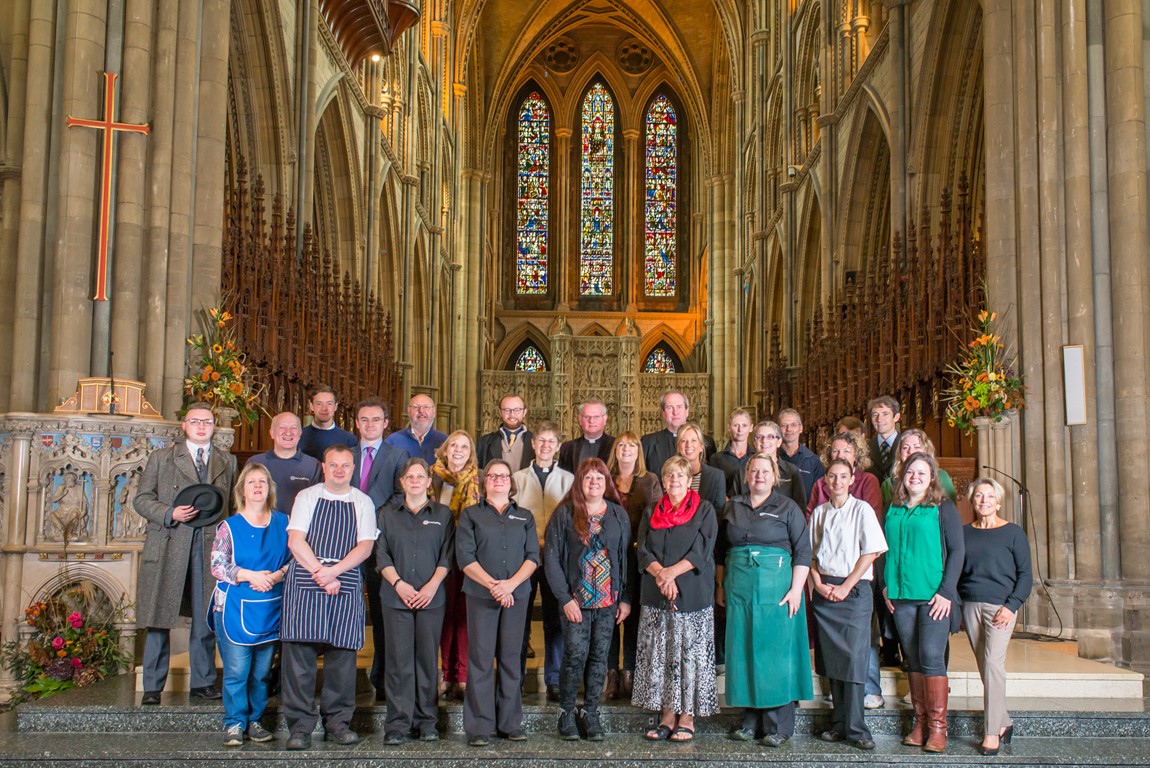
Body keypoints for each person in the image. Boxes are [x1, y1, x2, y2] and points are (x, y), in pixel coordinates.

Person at [134, 402, 237, 705]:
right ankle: (153, 687)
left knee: (205, 615)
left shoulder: (226, 461)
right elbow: (141, 499)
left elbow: (231, 505)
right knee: (159, 616)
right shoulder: (162, 458)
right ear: (185, 426)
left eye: (207, 421)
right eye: (195, 421)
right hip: (169, 541)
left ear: (213, 425)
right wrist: (170, 512)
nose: (202, 426)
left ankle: (203, 683)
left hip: (209, 544)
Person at [280, 445, 378, 750]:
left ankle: (338, 722)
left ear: (353, 468)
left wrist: (334, 571)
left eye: (345, 466)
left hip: (345, 579)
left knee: (342, 659)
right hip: (307, 579)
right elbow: (296, 540)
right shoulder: (307, 497)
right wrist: (320, 572)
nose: (339, 470)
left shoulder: (363, 502)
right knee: (299, 659)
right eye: (333, 465)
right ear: (324, 467)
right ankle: (300, 727)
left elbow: (365, 547)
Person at [716, 453, 811, 747]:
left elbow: (803, 551)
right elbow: (721, 551)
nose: (758, 475)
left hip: (778, 591)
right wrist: (720, 585)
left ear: (774, 476)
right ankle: (749, 720)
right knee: (744, 651)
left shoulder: (787, 507)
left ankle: (776, 723)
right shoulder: (733, 507)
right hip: (740, 590)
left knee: (773, 655)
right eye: (753, 471)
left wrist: (796, 589)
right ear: (746, 476)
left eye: (764, 471)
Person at [633, 455, 719, 743]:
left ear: (688, 480)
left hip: (692, 595)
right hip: (657, 595)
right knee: (664, 657)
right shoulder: (651, 511)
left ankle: (687, 718)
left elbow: (701, 551)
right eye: (669, 476)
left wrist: (671, 575)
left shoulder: (704, 510)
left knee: (688, 658)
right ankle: (667, 717)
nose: (674, 481)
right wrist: (662, 575)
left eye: (680, 476)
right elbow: (643, 550)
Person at [545, 458, 632, 741]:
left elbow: (625, 557)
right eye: (588, 478)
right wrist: (563, 597)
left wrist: (625, 598)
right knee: (575, 655)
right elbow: (552, 560)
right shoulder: (565, 514)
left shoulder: (618, 514)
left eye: (599, 478)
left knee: (599, 657)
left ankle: (591, 712)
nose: (593, 482)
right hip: (576, 601)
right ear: (579, 483)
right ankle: (567, 711)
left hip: (608, 600)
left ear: (607, 482)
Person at [883, 452, 964, 753]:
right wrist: (885, 586)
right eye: (910, 472)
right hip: (901, 596)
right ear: (902, 477)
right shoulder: (893, 509)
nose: (915, 477)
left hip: (934, 597)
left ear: (932, 478)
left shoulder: (942, 508)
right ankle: (919, 723)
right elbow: (884, 551)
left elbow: (957, 552)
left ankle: (938, 728)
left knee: (931, 656)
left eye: (921, 473)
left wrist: (947, 592)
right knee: (913, 659)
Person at [457, 459, 539, 747]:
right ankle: (479, 727)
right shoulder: (470, 516)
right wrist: (494, 586)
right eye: (492, 476)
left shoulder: (525, 516)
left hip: (516, 595)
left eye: (504, 476)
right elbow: (465, 558)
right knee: (480, 659)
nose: (498, 480)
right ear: (485, 482)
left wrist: (510, 585)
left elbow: (532, 557)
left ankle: (509, 723)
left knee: (510, 658)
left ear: (511, 483)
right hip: (481, 595)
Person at [808, 458, 888, 750]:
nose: (838, 482)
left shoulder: (861, 509)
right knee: (832, 661)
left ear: (852, 479)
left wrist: (845, 586)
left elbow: (871, 553)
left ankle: (857, 728)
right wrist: (817, 583)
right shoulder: (819, 513)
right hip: (825, 591)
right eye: (832, 476)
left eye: (843, 476)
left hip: (853, 592)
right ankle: (839, 723)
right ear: (825, 481)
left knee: (854, 661)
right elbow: (811, 555)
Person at [375, 458, 455, 745]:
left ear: (427, 481)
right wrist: (399, 584)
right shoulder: (386, 514)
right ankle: (397, 723)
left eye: (420, 476)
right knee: (398, 662)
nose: (415, 481)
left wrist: (432, 585)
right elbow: (381, 554)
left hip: (431, 598)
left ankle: (427, 721)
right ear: (402, 481)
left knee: (425, 661)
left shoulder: (443, 515)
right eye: (410, 476)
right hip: (396, 598)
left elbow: (447, 555)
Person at [209, 463, 291, 746]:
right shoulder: (229, 526)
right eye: (251, 482)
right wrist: (249, 575)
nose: (257, 487)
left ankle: (255, 721)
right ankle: (234, 723)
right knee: (237, 672)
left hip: (269, 604)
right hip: (235, 605)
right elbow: (218, 566)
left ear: (270, 488)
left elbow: (296, 559)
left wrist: (278, 575)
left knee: (261, 673)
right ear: (242, 489)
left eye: (262, 482)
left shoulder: (284, 523)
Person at [959, 477, 1032, 756]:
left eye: (990, 496)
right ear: (972, 501)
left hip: (1002, 608)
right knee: (984, 667)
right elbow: (958, 570)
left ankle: (991, 733)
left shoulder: (1013, 533)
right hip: (971, 605)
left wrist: (1011, 606)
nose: (984, 501)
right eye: (979, 496)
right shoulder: (966, 533)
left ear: (999, 502)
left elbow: (1026, 576)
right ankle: (1004, 722)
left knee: (992, 664)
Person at [352, 397, 409, 701]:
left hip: (380, 545)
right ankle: (346, 675)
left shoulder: (398, 456)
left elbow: (400, 495)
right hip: (345, 545)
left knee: (382, 612)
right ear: (357, 423)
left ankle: (383, 677)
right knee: (346, 612)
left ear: (386, 423)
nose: (370, 425)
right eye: (364, 419)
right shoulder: (344, 456)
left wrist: (373, 521)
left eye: (376, 419)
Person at [512, 422, 574, 700]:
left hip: (556, 558)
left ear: (558, 446)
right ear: (533, 444)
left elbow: (573, 519)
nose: (546, 445)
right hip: (523, 557)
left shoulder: (568, 480)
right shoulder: (517, 478)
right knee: (519, 617)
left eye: (552, 441)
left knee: (554, 619)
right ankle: (515, 677)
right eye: (541, 441)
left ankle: (554, 678)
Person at [605, 431, 661, 700]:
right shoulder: (605, 479)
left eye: (632, 445)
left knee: (635, 616)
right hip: (608, 558)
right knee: (608, 614)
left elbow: (659, 515)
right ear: (615, 450)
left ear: (639, 451)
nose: (626, 449)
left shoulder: (649, 480)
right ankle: (610, 675)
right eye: (622, 445)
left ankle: (630, 673)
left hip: (638, 556)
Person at [431, 430, 483, 700]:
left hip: (467, 556)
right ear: (445, 449)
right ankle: (444, 673)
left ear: (470, 452)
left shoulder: (479, 479)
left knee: (462, 618)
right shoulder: (431, 476)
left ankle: (461, 676)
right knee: (441, 617)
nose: (459, 450)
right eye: (454, 445)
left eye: (464, 446)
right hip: (435, 555)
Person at [247, 411, 322, 514]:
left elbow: (318, 504)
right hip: (262, 528)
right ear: (272, 433)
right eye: (282, 427)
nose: (288, 432)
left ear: (300, 433)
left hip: (299, 529)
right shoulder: (255, 462)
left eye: (293, 428)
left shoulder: (313, 466)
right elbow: (243, 500)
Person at [805, 431, 882, 518]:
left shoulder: (868, 481)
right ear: (830, 456)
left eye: (846, 451)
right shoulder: (820, 484)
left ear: (856, 456)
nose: (840, 456)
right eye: (835, 451)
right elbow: (810, 519)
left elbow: (873, 519)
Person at [641, 390, 716, 477]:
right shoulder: (648, 442)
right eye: (669, 407)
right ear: (663, 412)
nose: (675, 412)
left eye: (679, 407)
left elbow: (711, 477)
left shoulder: (706, 442)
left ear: (687, 411)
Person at [880, 428, 957, 507]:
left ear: (926, 451)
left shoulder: (941, 477)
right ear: (900, 453)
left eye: (916, 447)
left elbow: (950, 509)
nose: (910, 451)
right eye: (905, 447)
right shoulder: (888, 485)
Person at [749, 420, 807, 506]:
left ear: (779, 442)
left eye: (770, 437)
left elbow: (800, 506)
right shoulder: (744, 471)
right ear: (754, 442)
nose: (764, 441)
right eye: (759, 437)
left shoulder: (792, 471)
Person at [298, 385, 358, 462]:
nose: (324, 409)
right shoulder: (299, 436)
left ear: (335, 406)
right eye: (319, 404)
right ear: (311, 406)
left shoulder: (349, 440)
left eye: (329, 404)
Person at [676, 422, 726, 512]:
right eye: (684, 441)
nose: (688, 445)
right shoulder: (671, 476)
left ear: (701, 447)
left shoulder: (717, 476)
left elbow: (720, 513)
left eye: (693, 440)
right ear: (678, 447)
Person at [476, 394, 535, 471]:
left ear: (524, 412)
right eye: (507, 410)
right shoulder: (484, 442)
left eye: (517, 410)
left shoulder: (537, 442)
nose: (512, 414)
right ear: (500, 412)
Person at [385, 393, 448, 464]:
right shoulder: (393, 441)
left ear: (434, 412)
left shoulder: (445, 441)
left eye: (426, 407)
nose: (421, 411)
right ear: (408, 411)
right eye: (415, 407)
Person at [776, 408, 823, 502]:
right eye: (784, 425)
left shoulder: (812, 461)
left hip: (804, 514)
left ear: (800, 428)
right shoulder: (772, 458)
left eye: (793, 425)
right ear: (778, 429)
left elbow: (820, 494)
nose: (789, 429)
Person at [558, 398, 615, 473]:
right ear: (580, 419)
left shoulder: (615, 445)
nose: (591, 421)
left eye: (596, 417)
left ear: (605, 419)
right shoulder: (567, 448)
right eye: (587, 417)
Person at [709, 408, 755, 497]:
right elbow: (715, 489)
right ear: (729, 427)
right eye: (736, 425)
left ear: (751, 428)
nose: (740, 430)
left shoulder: (757, 458)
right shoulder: (717, 459)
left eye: (744, 425)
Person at [867, 396, 901, 481]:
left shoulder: (907, 444)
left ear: (896, 417)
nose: (879, 419)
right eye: (875, 415)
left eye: (885, 414)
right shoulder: (865, 448)